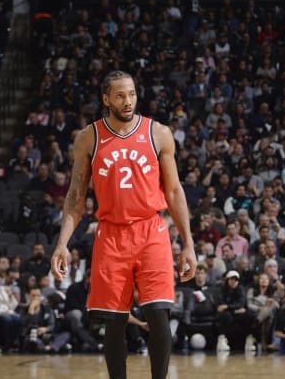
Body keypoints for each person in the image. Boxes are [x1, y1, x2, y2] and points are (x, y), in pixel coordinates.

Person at [51, 71, 197, 379]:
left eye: (131, 94)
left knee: (158, 315)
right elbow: (76, 196)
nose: (127, 101)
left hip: (151, 230)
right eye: (119, 95)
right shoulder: (88, 137)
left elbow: (173, 191)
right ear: (106, 99)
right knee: (114, 322)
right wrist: (62, 244)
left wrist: (188, 244)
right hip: (111, 233)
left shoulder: (158, 133)